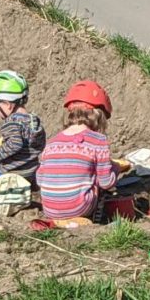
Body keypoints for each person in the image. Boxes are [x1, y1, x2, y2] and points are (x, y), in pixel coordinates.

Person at [37, 80, 125, 222]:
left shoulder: (52, 142)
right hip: (79, 208)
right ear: (99, 116)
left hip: (50, 210)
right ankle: (94, 218)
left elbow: (40, 180)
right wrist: (116, 168)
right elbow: (106, 182)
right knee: (98, 178)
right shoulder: (98, 140)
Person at [0, 70, 46, 185]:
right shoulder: (33, 119)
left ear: (7, 105)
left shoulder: (12, 122)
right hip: (31, 171)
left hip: (14, 173)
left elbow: (15, 144)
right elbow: (40, 144)